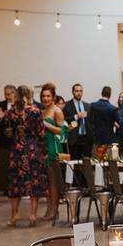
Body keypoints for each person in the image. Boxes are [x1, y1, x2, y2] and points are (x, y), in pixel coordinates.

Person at [4, 86, 48, 227]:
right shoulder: (35, 111)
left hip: (16, 151)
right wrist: (44, 151)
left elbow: (8, 134)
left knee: (15, 183)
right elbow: (41, 133)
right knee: (33, 183)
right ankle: (33, 215)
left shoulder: (10, 112)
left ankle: (15, 214)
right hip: (32, 150)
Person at [40, 85, 67, 221]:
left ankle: (54, 210)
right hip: (42, 147)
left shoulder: (57, 111)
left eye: (48, 96)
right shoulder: (42, 110)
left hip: (53, 148)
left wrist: (47, 125)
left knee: (53, 181)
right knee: (45, 182)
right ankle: (49, 208)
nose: (45, 98)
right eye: (44, 96)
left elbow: (61, 132)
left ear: (53, 97)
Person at [61, 83, 91, 159]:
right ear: (73, 92)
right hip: (73, 139)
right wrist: (76, 116)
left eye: (81, 91)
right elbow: (64, 120)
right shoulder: (67, 105)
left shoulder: (87, 105)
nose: (79, 93)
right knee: (74, 163)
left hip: (86, 138)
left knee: (87, 164)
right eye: (76, 91)